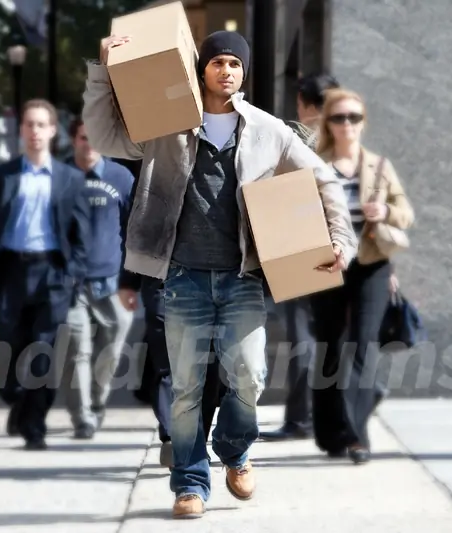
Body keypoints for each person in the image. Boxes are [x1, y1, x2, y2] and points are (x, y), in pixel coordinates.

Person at [83, 30, 357, 518]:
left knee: (249, 377)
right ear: (201, 69)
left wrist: (340, 238)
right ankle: (189, 484)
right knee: (186, 389)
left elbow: (324, 178)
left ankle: (235, 449)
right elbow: (105, 136)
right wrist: (104, 72)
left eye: (234, 63)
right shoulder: (166, 124)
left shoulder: (268, 130)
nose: (226, 70)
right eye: (217, 62)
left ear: (244, 72)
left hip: (243, 278)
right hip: (183, 277)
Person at [310, 88, 414, 464]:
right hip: (327, 265)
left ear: (363, 122)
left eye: (354, 117)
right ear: (329, 124)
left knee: (363, 344)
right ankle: (329, 432)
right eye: (339, 118)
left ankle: (357, 435)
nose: (347, 124)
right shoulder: (313, 164)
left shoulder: (380, 166)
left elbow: (406, 215)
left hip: (371, 266)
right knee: (329, 348)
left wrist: (383, 211)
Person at [0, 99, 90, 450]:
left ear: (53, 131)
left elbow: (80, 235)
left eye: (41, 125)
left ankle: (35, 425)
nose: (34, 132)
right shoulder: (1, 176)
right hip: (11, 271)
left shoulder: (70, 179)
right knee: (9, 349)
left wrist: (73, 275)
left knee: (44, 351)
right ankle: (18, 402)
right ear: (21, 131)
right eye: (29, 124)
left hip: (53, 273)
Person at [260, 72, 341, 442]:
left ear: (303, 104)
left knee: (303, 338)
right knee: (327, 337)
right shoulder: (344, 140)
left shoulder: (297, 138)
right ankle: (324, 417)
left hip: (302, 245)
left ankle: (301, 419)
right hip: (341, 247)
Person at [62, 117, 134, 439]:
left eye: (94, 138)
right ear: (72, 140)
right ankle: (82, 417)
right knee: (77, 349)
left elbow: (135, 231)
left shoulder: (122, 178)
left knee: (110, 352)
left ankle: (97, 403)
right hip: (71, 283)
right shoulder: (59, 176)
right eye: (82, 138)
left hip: (113, 283)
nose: (88, 144)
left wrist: (133, 280)